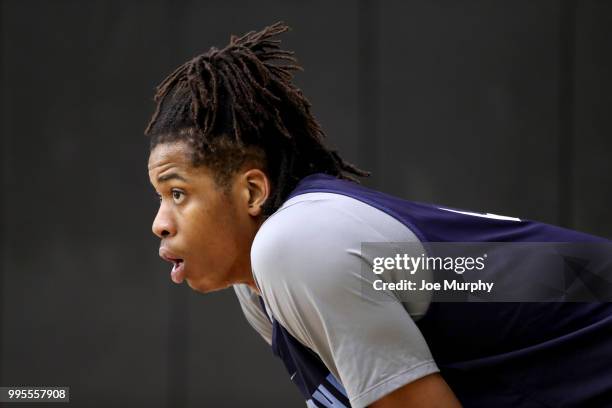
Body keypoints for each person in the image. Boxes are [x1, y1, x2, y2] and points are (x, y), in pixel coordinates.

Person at [145, 22, 612, 407]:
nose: (159, 222)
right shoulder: (261, 287)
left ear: (251, 191)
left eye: (179, 193)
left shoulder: (294, 244)